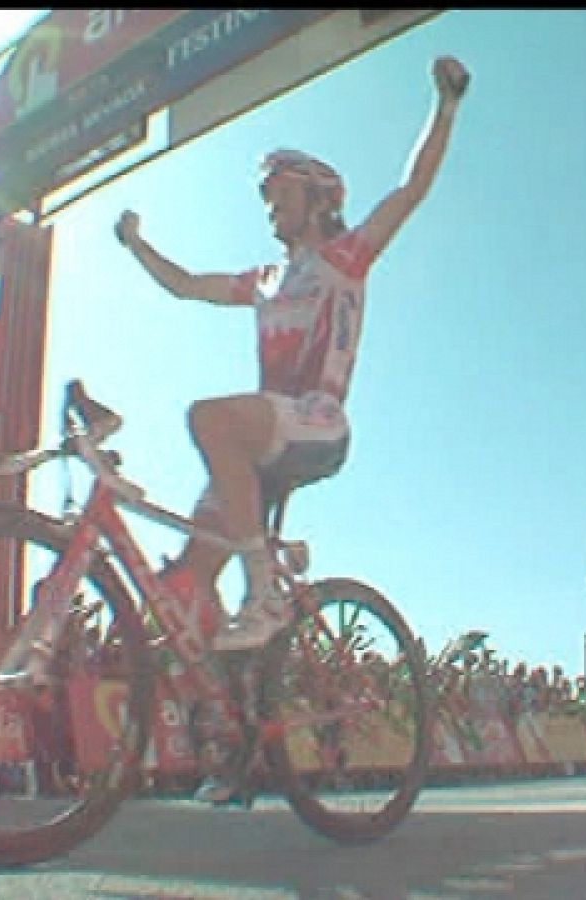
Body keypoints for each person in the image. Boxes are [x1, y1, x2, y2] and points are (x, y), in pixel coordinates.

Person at [114, 56, 470, 801]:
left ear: (319, 199)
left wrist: (445, 104)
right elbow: (186, 286)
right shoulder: (264, 280)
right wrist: (136, 244)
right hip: (260, 442)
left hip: (316, 425)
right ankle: (237, 745)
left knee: (208, 416)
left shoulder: (345, 257)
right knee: (182, 592)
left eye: (281, 193)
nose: (269, 205)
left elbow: (410, 191)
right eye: (267, 196)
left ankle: (265, 590)